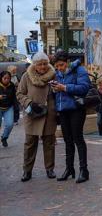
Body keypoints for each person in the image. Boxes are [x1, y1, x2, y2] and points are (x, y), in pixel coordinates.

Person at [16, 52, 57, 182]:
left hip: (49, 114)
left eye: (45, 64)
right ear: (35, 65)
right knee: (30, 144)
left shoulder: (54, 75)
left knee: (49, 143)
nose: (43, 67)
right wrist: (29, 103)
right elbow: (19, 94)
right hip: (32, 114)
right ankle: (27, 171)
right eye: (40, 64)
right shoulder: (26, 76)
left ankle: (50, 169)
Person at [52, 51, 91, 183]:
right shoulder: (57, 73)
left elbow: (85, 87)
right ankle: (69, 169)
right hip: (63, 110)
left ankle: (84, 170)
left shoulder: (79, 70)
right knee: (67, 140)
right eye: (57, 66)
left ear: (68, 61)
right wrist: (55, 89)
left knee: (78, 138)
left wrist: (65, 87)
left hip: (76, 109)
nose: (59, 68)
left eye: (61, 65)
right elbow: (59, 92)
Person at [0, 71, 17, 147]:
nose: (7, 80)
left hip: (8, 107)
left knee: (10, 124)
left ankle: (4, 137)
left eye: (8, 78)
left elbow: (14, 97)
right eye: (5, 78)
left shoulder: (12, 85)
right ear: (1, 78)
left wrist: (16, 108)